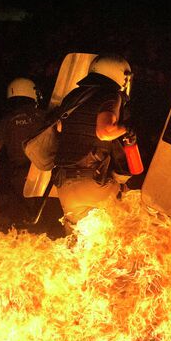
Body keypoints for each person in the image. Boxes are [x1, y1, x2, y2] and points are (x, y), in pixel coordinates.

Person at [54, 55, 133, 231]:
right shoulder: (111, 95)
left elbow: (59, 128)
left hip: (65, 185)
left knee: (77, 243)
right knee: (115, 238)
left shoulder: (73, 97)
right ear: (121, 75)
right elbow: (105, 131)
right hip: (95, 182)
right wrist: (127, 129)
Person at [0, 77, 44, 228]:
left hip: (19, 178)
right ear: (33, 94)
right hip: (45, 176)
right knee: (46, 221)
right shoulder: (45, 116)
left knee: (20, 221)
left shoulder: (6, 121)